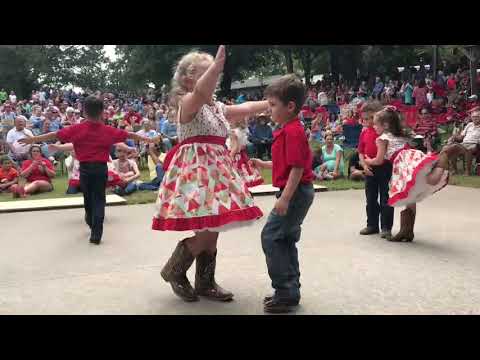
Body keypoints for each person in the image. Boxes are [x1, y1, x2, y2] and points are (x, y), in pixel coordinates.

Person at [155, 45, 268, 303]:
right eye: (209, 74)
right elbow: (200, 91)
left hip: (217, 173)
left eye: (216, 74)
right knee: (207, 230)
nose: (215, 79)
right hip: (196, 175)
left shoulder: (216, 107)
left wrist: (271, 102)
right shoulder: (188, 103)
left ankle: (205, 283)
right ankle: (174, 270)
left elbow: (247, 107)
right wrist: (216, 66)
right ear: (187, 79)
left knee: (214, 228)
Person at [20, 95, 158, 245]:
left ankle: (93, 225)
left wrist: (32, 140)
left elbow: (54, 135)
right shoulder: (108, 130)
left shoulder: (76, 129)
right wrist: (148, 140)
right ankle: (96, 231)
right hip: (100, 169)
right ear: (101, 112)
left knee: (88, 198)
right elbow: (129, 135)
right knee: (99, 199)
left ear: (84, 112)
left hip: (85, 170)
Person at [251, 74, 314, 313]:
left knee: (271, 236)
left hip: (295, 193)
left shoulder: (293, 131)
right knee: (285, 239)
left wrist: (285, 199)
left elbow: (298, 168)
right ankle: (289, 289)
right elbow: (288, 164)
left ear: (290, 107)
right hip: (295, 191)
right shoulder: (288, 129)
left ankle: (285, 292)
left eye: (273, 105)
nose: (269, 110)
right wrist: (264, 164)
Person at [363, 106, 453, 242]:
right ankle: (407, 231)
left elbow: (379, 159)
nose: (374, 126)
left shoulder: (382, 138)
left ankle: (443, 157)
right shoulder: (400, 134)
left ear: (385, 125)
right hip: (411, 158)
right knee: (413, 192)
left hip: (402, 163)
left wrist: (368, 160)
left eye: (376, 124)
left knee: (428, 182)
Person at [357, 101, 394, 240]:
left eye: (370, 118)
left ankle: (386, 227)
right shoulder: (364, 132)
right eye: (364, 119)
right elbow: (360, 151)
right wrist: (364, 166)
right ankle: (372, 224)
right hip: (370, 168)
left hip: (384, 167)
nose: (367, 121)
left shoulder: (384, 133)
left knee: (386, 198)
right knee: (371, 198)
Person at [227, 117, 264, 188]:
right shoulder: (242, 131)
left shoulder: (233, 132)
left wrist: (230, 156)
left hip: (235, 156)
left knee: (237, 175)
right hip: (242, 155)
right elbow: (243, 146)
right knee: (244, 173)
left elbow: (235, 147)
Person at [443, 109, 480, 175]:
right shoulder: (469, 125)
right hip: (464, 144)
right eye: (473, 117)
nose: (475, 118)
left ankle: (467, 171)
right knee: (451, 148)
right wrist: (453, 137)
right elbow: (461, 137)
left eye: (477, 116)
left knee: (464, 149)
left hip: (475, 145)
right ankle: (454, 170)